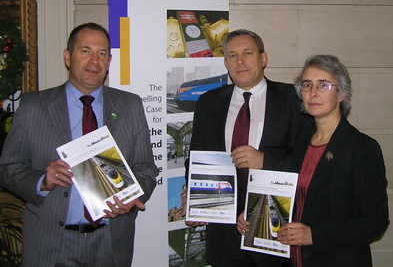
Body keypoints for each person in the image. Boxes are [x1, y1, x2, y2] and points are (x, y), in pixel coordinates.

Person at [0, 22, 158, 267]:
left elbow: (146, 168)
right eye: (85, 51)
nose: (94, 61)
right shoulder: (33, 106)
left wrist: (132, 197)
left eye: (102, 53)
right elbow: (8, 169)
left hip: (111, 242)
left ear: (109, 60)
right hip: (51, 245)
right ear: (67, 57)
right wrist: (42, 180)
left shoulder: (130, 105)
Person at [240, 54, 389, 267]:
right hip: (295, 259)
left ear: (341, 94)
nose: (313, 93)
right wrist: (256, 212)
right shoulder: (302, 138)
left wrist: (314, 235)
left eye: (323, 85)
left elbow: (375, 222)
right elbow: (294, 195)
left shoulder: (362, 148)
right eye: (307, 85)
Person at [186, 29, 310, 267]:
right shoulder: (208, 103)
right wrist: (193, 200)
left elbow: (308, 159)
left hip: (273, 231)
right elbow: (195, 158)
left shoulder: (294, 100)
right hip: (223, 232)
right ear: (225, 63)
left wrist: (266, 159)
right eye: (232, 56)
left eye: (247, 53)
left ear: (263, 58)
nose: (240, 61)